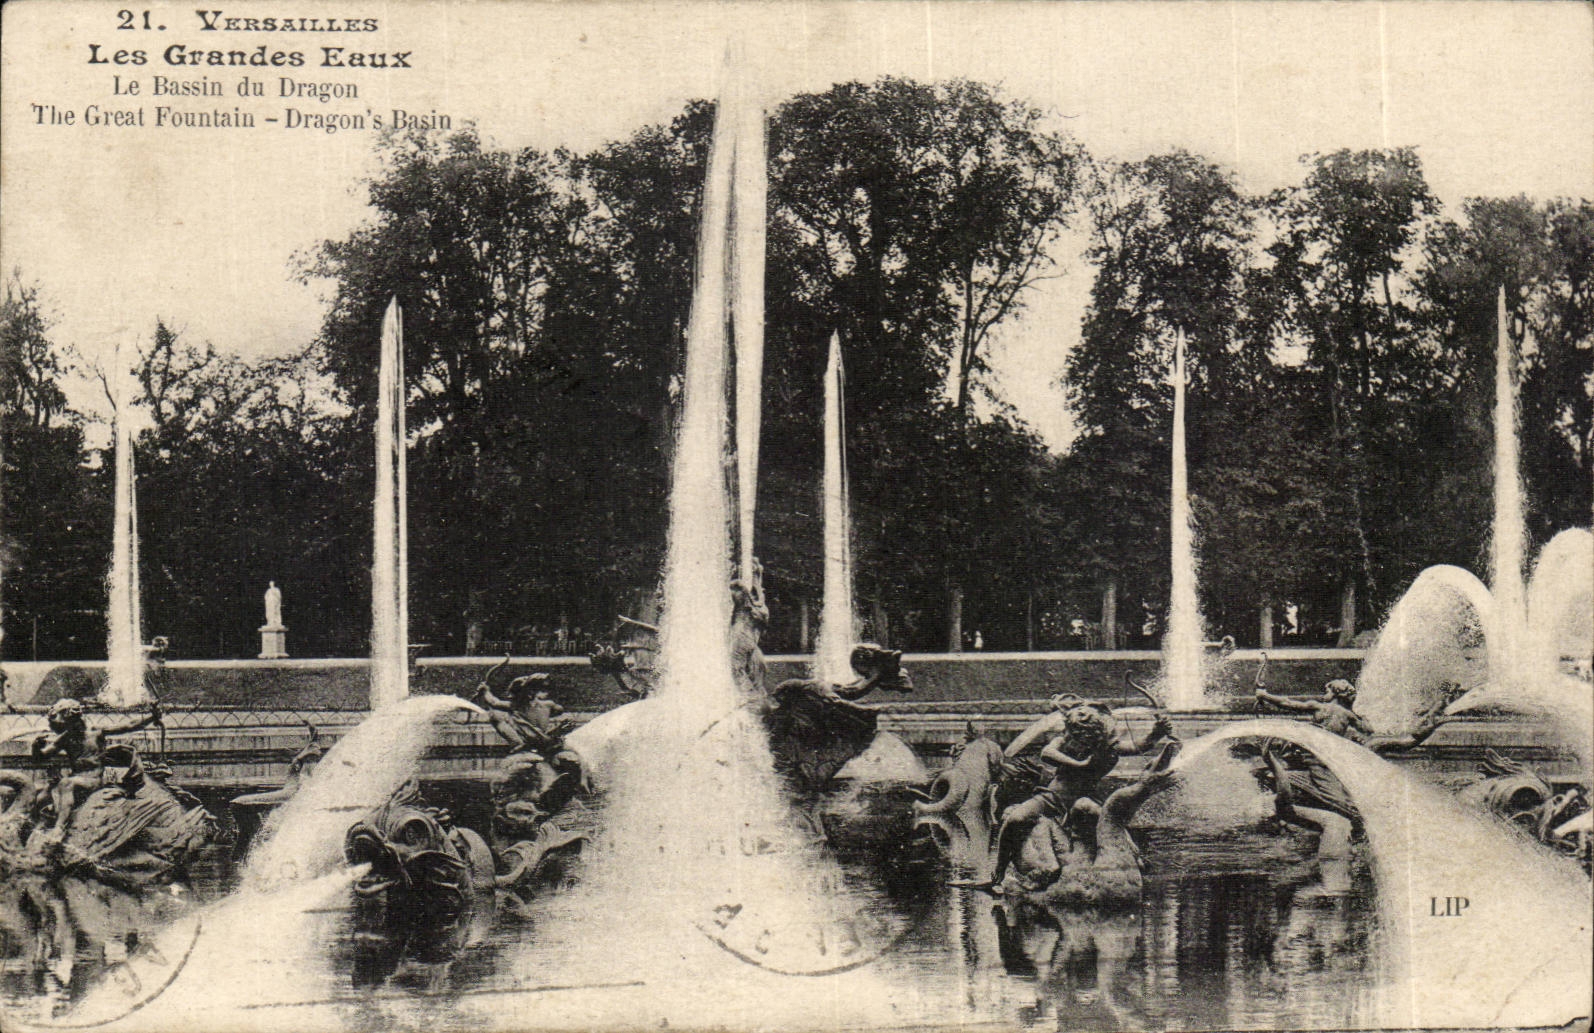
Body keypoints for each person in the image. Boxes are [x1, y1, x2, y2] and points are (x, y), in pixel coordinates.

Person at [953, 695, 1170, 893]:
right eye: (1074, 729)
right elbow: (1047, 753)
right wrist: (1079, 763)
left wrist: (1156, 733)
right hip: (1052, 798)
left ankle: (1137, 864)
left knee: (1114, 830)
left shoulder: (1109, 747)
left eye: (1081, 730)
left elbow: (1137, 746)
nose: (1076, 734)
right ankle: (996, 876)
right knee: (1015, 819)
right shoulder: (1066, 741)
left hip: (1084, 800)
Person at [31, 697, 163, 837]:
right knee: (43, 794)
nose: (68, 729)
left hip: (93, 781)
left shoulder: (96, 732)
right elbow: (40, 757)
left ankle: (59, 827)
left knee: (66, 783)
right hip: (76, 781)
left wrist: (152, 717)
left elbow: (129, 726)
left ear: (76, 719)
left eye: (69, 724)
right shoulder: (65, 738)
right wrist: (36, 746)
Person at [1255, 678, 1453, 753]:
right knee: (1397, 742)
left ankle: (1435, 712)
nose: (1325, 693)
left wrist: (1264, 695)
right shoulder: (1349, 715)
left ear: (1335, 693)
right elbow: (1369, 730)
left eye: (1328, 690)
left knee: (1391, 742)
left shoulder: (1318, 707)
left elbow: (1287, 703)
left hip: (1320, 749)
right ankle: (1436, 713)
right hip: (1335, 750)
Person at [730, 558, 770, 703]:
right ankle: (759, 699)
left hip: (740, 638)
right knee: (756, 671)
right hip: (750, 641)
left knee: (735, 668)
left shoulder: (738, 593)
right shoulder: (760, 605)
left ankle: (748, 699)